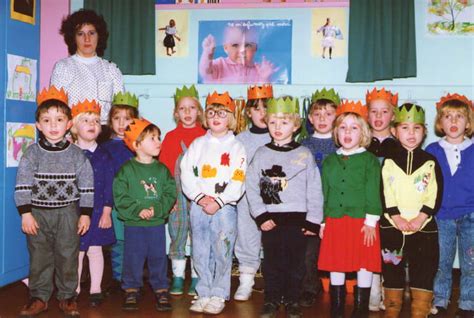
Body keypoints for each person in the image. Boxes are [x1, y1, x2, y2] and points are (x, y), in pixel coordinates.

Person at [15, 86, 94, 317]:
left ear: (69, 123)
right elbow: (22, 185)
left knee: (68, 254)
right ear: (38, 125)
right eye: (46, 120)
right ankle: (38, 297)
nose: (53, 125)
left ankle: (68, 297)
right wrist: (25, 213)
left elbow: (87, 186)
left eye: (59, 119)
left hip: (68, 213)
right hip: (38, 214)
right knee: (39, 256)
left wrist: (85, 213)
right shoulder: (31, 154)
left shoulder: (77, 154)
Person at [246, 96, 323, 318]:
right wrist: (260, 215)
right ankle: (271, 299)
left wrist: (313, 221)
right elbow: (251, 187)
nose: (278, 128)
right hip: (271, 219)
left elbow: (314, 189)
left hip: (298, 221)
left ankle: (292, 299)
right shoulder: (261, 154)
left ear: (296, 125)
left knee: (296, 263)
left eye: (284, 122)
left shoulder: (304, 154)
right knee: (272, 263)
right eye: (273, 122)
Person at [180, 91, 247, 315]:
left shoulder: (236, 147)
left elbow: (239, 178)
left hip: (224, 208)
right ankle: (204, 291)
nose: (215, 117)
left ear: (230, 117)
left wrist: (219, 201)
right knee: (199, 250)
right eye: (211, 113)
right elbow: (186, 171)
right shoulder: (198, 144)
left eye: (221, 113)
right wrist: (199, 197)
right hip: (199, 206)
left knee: (222, 250)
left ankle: (219, 293)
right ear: (205, 117)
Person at [318, 100, 382, 318]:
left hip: (362, 222)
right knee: (337, 262)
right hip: (335, 220)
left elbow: (373, 191)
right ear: (336, 132)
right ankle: (336, 310)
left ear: (363, 133)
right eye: (343, 127)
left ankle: (360, 310)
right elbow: (325, 194)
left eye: (354, 128)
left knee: (363, 263)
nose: (348, 132)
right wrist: (324, 222)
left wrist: (371, 222)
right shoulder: (329, 162)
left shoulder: (370, 161)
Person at [380, 103, 443, 318]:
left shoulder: (430, 162)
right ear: (395, 131)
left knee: (424, 270)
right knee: (392, 270)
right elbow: (386, 191)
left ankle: (420, 312)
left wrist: (421, 217)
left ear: (424, 131)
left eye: (416, 128)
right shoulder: (389, 162)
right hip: (393, 227)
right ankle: (391, 310)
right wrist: (395, 216)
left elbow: (434, 192)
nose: (411, 133)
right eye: (405, 128)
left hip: (422, 228)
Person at [113, 118, 177, 312]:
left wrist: (157, 210)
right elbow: (120, 195)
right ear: (136, 145)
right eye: (152, 138)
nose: (159, 142)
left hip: (156, 224)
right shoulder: (126, 170)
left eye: (159, 137)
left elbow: (169, 192)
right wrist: (136, 210)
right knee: (133, 257)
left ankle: (161, 288)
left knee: (158, 257)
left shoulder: (162, 170)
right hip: (134, 224)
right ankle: (131, 288)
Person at [425, 94, 474, 318]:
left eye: (459, 117)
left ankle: (467, 302)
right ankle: (440, 300)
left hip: (470, 215)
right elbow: (423, 183)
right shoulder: (432, 151)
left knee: (470, 262)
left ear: (468, 122)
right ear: (440, 123)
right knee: (441, 261)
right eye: (448, 117)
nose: (453, 122)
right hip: (442, 215)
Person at [160, 85, 206, 296]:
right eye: (182, 108)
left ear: (199, 111)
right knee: (177, 234)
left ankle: (197, 277)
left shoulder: (206, 137)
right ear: (175, 112)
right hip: (177, 194)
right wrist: (169, 198)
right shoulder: (170, 137)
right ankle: (178, 276)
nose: (187, 112)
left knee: (199, 235)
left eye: (192, 107)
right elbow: (165, 172)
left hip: (199, 194)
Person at [51, 9, 124, 141]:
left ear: (99, 35)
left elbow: (121, 110)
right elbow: (56, 108)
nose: (87, 39)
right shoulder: (63, 67)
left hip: (105, 135)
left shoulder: (111, 69)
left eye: (91, 33)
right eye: (80, 34)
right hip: (73, 134)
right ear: (73, 37)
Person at [70, 99, 116, 307]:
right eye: (86, 120)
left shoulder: (105, 155)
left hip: (98, 211)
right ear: (74, 126)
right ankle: (75, 288)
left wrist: (107, 212)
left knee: (95, 250)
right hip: (75, 211)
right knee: (77, 251)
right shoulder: (69, 153)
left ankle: (96, 288)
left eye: (96, 121)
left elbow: (109, 185)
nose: (92, 124)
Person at [299, 88, 339, 308]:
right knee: (309, 250)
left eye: (329, 114)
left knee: (334, 248)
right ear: (310, 118)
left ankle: (337, 286)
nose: (322, 119)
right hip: (310, 206)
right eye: (318, 114)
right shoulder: (304, 145)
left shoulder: (341, 143)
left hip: (334, 204)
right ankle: (309, 287)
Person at [234, 84, 273, 302]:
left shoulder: (278, 137)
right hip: (246, 201)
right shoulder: (240, 139)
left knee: (274, 241)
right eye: (257, 109)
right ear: (249, 112)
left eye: (267, 108)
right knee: (247, 238)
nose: (263, 114)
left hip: (273, 202)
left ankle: (274, 281)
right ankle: (246, 281)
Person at [101, 91, 139, 290]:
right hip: (114, 203)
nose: (122, 123)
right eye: (117, 118)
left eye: (127, 118)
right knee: (118, 240)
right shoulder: (105, 147)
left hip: (135, 202)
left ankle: (134, 277)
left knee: (136, 240)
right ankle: (119, 277)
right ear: (110, 121)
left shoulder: (138, 147)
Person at [365, 87, 398, 312]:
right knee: (369, 248)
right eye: (374, 112)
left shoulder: (399, 144)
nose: (378, 117)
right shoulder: (361, 142)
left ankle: (392, 289)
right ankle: (373, 290)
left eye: (384, 112)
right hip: (367, 205)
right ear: (367, 115)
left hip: (391, 206)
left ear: (392, 116)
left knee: (391, 248)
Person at [199, 26, 277, 84]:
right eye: (235, 45)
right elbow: (205, 72)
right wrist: (208, 53)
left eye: (248, 45)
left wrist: (265, 78)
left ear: (255, 48)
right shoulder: (220, 64)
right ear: (226, 47)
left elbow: (262, 96)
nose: (242, 50)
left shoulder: (258, 70)